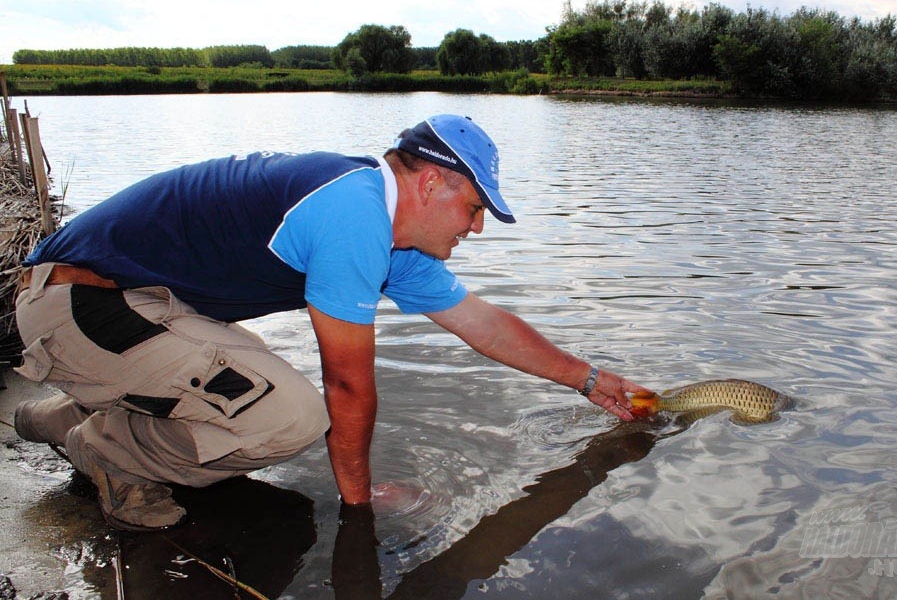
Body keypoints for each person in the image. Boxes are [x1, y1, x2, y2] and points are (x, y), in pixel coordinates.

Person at [13, 114, 649, 531]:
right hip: (78, 307)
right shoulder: (354, 213)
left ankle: (71, 417)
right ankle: (107, 452)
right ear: (431, 184)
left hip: (127, 312)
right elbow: (348, 386)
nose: (476, 227)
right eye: (475, 207)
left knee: (246, 377)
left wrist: (589, 379)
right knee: (288, 415)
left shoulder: (393, 238)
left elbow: (483, 324)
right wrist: (359, 504)